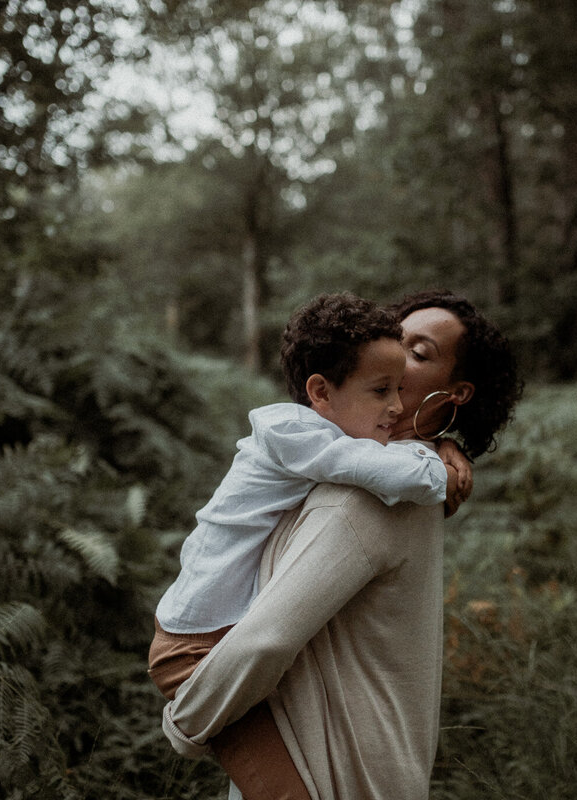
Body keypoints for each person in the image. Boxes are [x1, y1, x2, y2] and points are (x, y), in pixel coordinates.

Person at [161, 290, 522, 800]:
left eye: (416, 355)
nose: (394, 359)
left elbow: (266, 638)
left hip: (333, 771)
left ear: (456, 393)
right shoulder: (389, 471)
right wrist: (440, 447)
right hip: (373, 762)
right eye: (394, 340)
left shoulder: (363, 498)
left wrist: (184, 722)